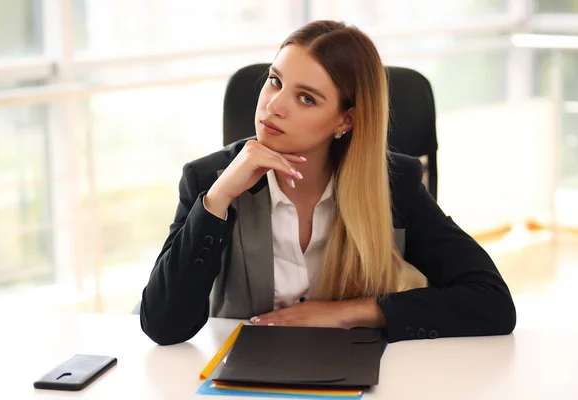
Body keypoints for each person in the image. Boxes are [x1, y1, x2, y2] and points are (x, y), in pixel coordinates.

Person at [139, 20, 516, 346]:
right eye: (275, 81)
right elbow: (163, 325)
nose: (274, 105)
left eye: (306, 98)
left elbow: (492, 302)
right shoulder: (208, 180)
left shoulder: (393, 184)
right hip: (243, 377)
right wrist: (218, 200)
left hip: (359, 372)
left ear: (345, 121)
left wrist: (353, 312)